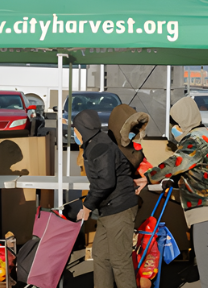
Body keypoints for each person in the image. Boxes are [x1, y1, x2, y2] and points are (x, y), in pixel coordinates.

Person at [143, 97, 208, 288]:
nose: (173, 129)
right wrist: (175, 179)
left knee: (205, 255)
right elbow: (193, 166)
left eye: (174, 124)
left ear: (182, 122)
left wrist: (149, 176)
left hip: (206, 205)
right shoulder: (204, 134)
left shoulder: (195, 140)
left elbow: (176, 162)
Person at [74, 109, 139, 288]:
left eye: (75, 129)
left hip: (119, 208)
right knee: (101, 255)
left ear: (82, 129)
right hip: (107, 208)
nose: (74, 133)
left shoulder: (99, 147)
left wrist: (87, 206)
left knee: (120, 261)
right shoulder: (95, 142)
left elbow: (105, 182)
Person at [106, 104, 153, 194]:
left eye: (135, 130)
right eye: (130, 130)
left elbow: (147, 168)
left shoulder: (138, 149)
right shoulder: (109, 153)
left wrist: (149, 177)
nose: (133, 134)